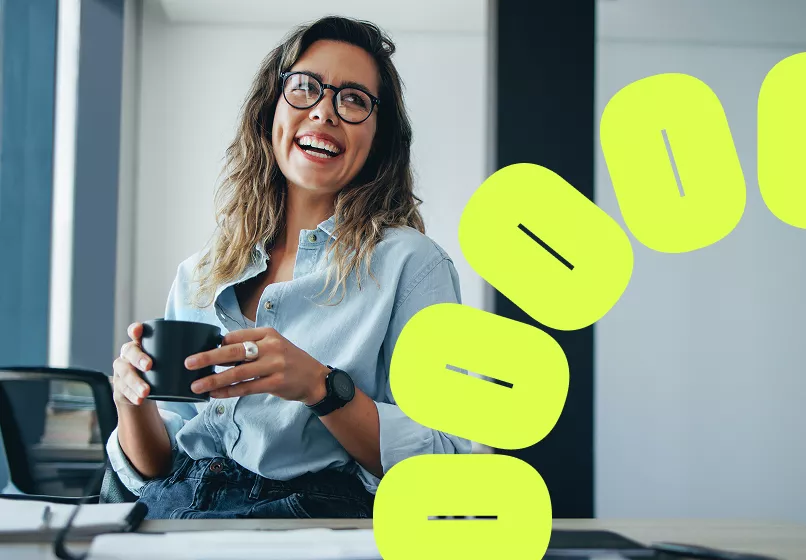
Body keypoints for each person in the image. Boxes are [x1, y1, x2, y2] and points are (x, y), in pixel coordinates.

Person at [106, 16, 471, 519]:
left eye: (353, 99)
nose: (324, 112)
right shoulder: (200, 273)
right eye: (304, 88)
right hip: (176, 513)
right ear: (270, 110)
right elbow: (159, 466)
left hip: (311, 520)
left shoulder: (413, 264)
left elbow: (446, 463)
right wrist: (132, 401)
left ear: (379, 137)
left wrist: (321, 387)